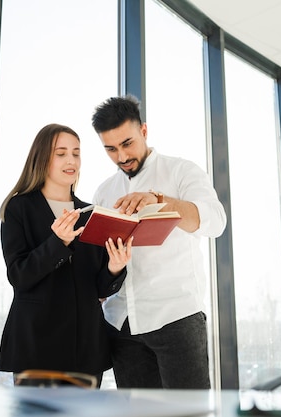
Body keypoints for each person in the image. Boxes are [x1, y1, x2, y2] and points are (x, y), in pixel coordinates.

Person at [90, 96, 227, 389]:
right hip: (121, 325)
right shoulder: (104, 192)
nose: (121, 156)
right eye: (111, 149)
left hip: (175, 318)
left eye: (127, 143)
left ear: (144, 131)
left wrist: (161, 203)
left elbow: (216, 221)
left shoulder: (181, 171)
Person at [0, 123, 133, 386]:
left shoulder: (92, 213)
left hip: (86, 348)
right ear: (42, 158)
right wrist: (57, 242)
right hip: (36, 345)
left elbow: (100, 288)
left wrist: (115, 268)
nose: (71, 160)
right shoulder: (19, 207)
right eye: (61, 153)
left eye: (76, 153)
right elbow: (19, 276)